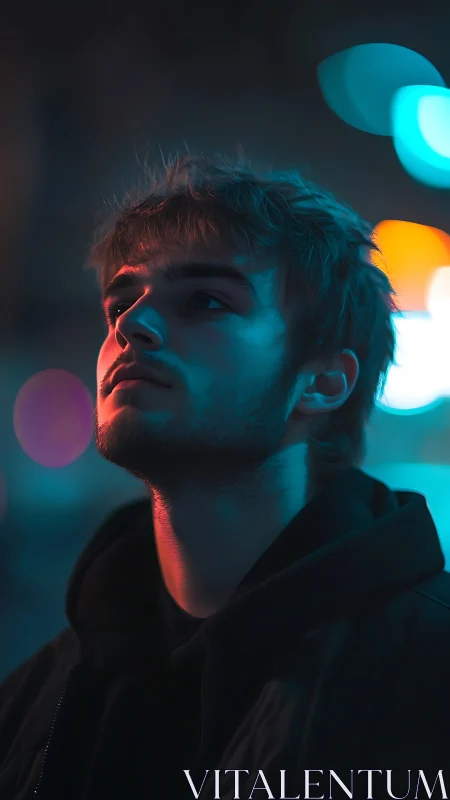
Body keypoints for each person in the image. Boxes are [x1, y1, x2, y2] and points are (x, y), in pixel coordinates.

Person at [1, 151, 450, 800]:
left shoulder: (429, 672)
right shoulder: (35, 700)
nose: (133, 325)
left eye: (206, 301)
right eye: (120, 303)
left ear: (322, 381)